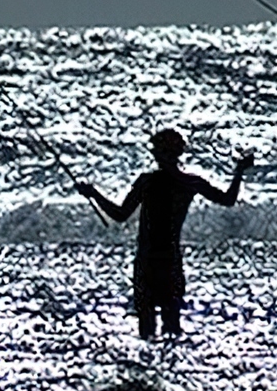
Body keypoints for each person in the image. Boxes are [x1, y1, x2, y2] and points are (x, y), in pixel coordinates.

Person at [75, 129, 253, 338]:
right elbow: (228, 199)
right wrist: (239, 171)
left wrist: (94, 193)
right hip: (170, 258)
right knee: (172, 322)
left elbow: (120, 214)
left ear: (158, 153)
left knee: (146, 323)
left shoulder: (147, 181)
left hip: (147, 258)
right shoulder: (189, 182)